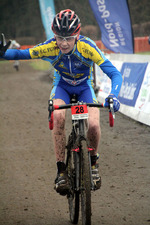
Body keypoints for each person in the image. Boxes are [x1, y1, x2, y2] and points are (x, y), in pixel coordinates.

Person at [0, 9, 122, 195]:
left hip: (84, 88)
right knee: (58, 117)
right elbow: (21, 55)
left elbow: (114, 73)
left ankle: (94, 164)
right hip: (62, 87)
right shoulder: (49, 47)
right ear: (54, 35)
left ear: (77, 35)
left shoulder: (87, 47)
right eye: (59, 37)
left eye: (69, 38)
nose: (64, 43)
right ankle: (61, 171)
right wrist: (4, 54)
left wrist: (113, 95)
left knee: (94, 126)